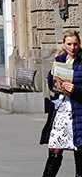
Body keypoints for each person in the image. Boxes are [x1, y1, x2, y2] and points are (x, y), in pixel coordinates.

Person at [40, 29, 82, 177]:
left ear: (79, 43)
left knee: (79, 148)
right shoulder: (60, 60)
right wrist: (52, 75)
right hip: (62, 111)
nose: (73, 47)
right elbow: (53, 87)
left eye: (75, 44)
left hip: (78, 110)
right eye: (69, 44)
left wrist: (76, 89)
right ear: (63, 44)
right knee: (54, 148)